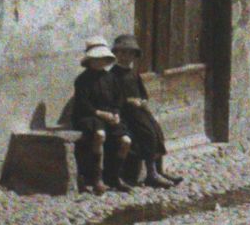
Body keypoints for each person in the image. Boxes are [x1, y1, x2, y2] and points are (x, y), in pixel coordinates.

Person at [110, 33, 179, 189]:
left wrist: (142, 101)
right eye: (122, 52)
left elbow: (143, 93)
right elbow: (112, 99)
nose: (126, 57)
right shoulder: (113, 75)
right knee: (147, 134)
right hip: (125, 114)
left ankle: (159, 170)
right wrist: (128, 101)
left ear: (134, 56)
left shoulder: (133, 74)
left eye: (130, 53)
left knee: (156, 131)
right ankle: (150, 174)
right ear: (116, 54)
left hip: (139, 112)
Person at [70, 37, 132, 195]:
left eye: (103, 58)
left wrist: (116, 114)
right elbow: (82, 104)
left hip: (109, 116)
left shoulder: (111, 78)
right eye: (96, 59)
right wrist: (100, 113)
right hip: (89, 116)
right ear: (90, 60)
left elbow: (118, 100)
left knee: (126, 141)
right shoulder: (82, 80)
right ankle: (97, 179)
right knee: (99, 135)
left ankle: (114, 177)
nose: (100, 62)